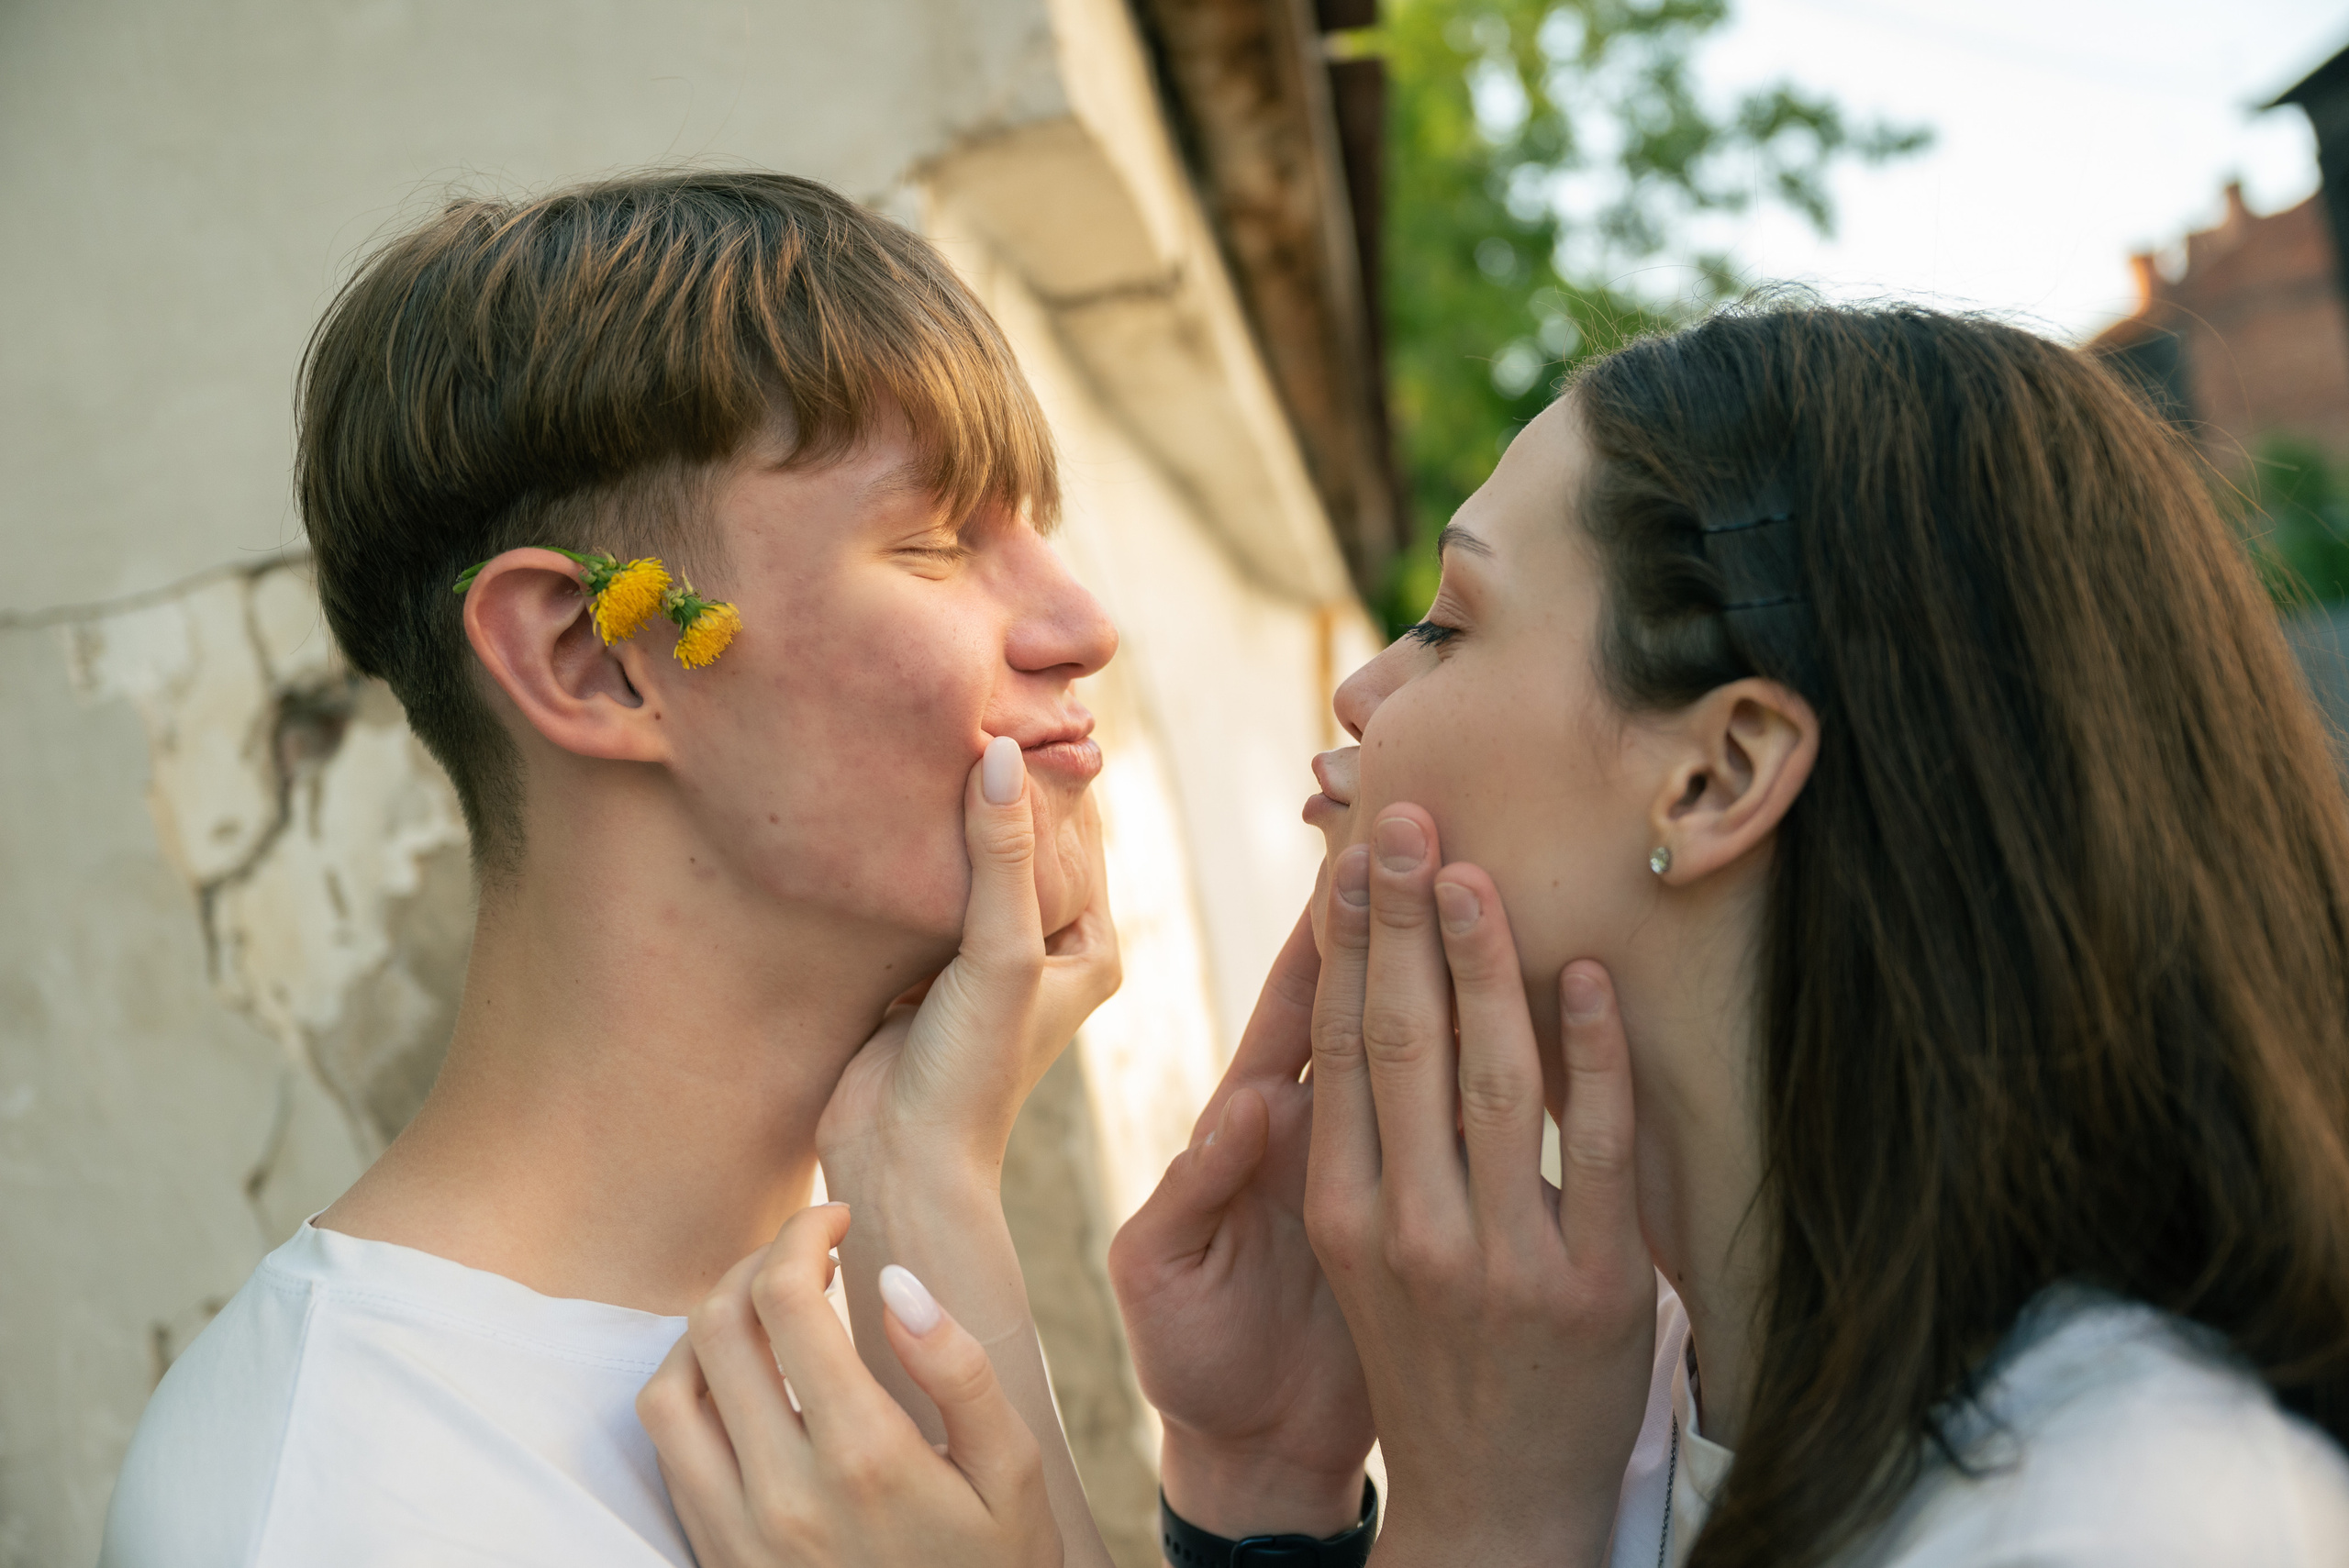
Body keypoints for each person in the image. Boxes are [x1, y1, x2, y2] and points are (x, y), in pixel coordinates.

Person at [654, 302, 2349, 1568]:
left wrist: (1485, 1527)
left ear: (1720, 770)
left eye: (1451, 622)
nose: (1363, 687)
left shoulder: (2151, 1510)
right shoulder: (1643, 1393)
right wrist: (1263, 1494)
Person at [98, 170, 1126, 1568]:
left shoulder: (895, 1293)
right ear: (594, 657)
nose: (1082, 624)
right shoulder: (348, 1498)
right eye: (938, 543)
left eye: (1039, 534)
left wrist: (925, 1176)